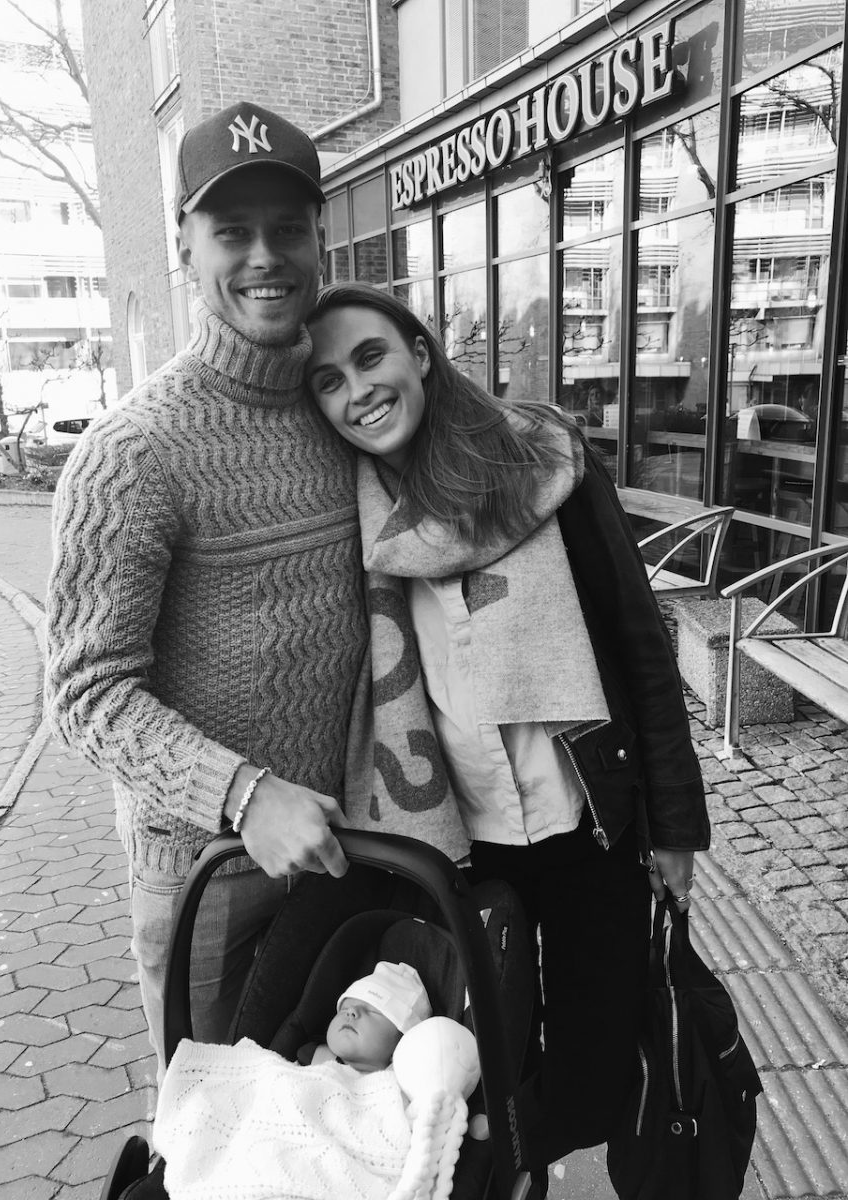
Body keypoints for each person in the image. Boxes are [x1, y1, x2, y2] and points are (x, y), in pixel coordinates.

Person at [305, 282, 710, 1169]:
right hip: (455, 832)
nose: (357, 391)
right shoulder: (349, 510)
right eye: (329, 381)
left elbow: (640, 640)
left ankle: (559, 1152)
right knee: (488, 1056)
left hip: (586, 814)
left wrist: (676, 824)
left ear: (420, 352)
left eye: (371, 357)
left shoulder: (543, 460)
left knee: (596, 1046)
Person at [43, 102, 369, 1075]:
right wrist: (243, 796)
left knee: (350, 1120)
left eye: (287, 228)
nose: (265, 256)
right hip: (208, 875)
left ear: (320, 239)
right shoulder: (132, 453)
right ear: (186, 247)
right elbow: (85, 692)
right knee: (215, 1132)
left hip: (358, 846)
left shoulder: (350, 407)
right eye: (232, 231)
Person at [311, 960, 432, 1072]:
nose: (351, 1011)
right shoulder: (310, 1058)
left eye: (372, 1011)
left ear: (401, 1044)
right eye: (344, 1008)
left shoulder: (405, 1083)